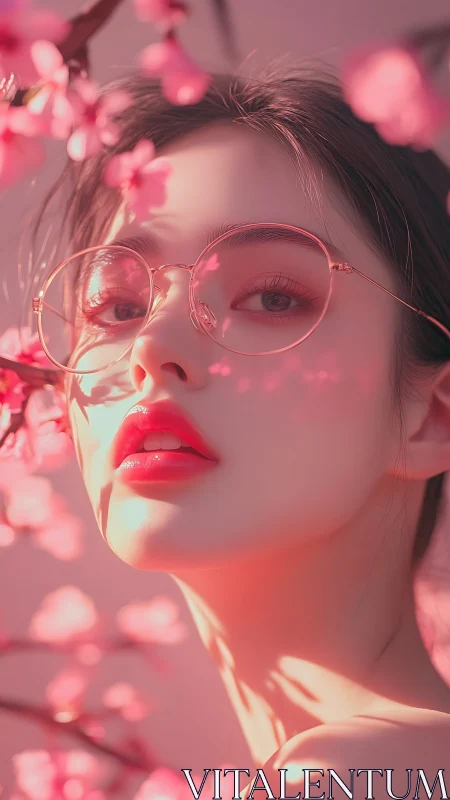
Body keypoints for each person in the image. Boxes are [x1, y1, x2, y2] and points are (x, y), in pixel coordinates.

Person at [32, 63, 450, 791]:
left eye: (272, 297)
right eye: (117, 308)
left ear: (432, 417)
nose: (152, 348)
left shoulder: (341, 776)